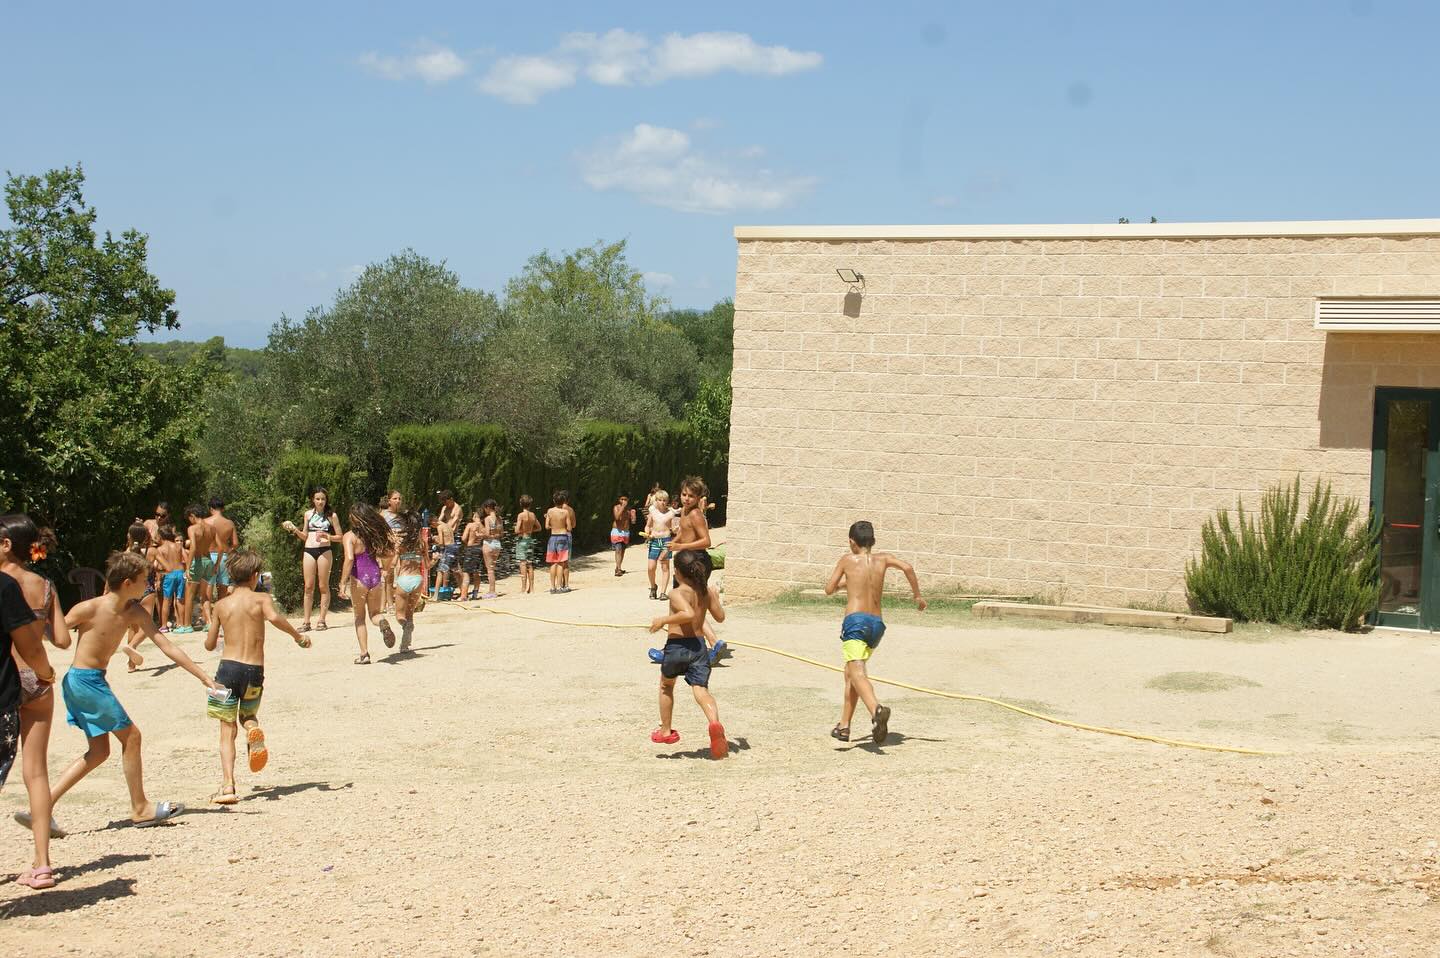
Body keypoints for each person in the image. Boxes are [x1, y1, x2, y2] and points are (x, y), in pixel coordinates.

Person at [47, 551, 220, 828]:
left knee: (99, 751)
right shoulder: (89, 608)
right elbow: (52, 632)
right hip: (84, 680)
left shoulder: (135, 611)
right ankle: (140, 808)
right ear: (128, 583)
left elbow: (166, 645)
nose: (149, 585)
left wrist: (203, 676)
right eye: (145, 580)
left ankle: (42, 806)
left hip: (88, 682)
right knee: (132, 737)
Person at [203, 549, 310, 804]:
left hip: (225, 671)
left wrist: (214, 625)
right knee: (247, 715)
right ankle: (253, 728)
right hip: (253, 671)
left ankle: (228, 786)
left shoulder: (221, 605)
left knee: (226, 728)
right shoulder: (262, 599)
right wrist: (298, 636)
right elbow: (275, 619)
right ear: (254, 575)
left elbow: (209, 645)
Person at [0, 515, 64, 890]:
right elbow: (61, 640)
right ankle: (42, 864)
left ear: (8, 543)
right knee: (35, 771)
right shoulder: (44, 584)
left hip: (9, 675)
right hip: (36, 678)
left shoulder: (5, 586)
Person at [822, 520, 926, 746]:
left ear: (852, 542)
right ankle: (844, 727)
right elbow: (908, 567)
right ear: (873, 541)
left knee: (857, 672)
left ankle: (876, 709)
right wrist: (917, 596)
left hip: (855, 622)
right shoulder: (884, 558)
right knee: (850, 673)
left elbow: (829, 589)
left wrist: (843, 584)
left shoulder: (847, 560)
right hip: (876, 625)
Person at [647, 550, 728, 759]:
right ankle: (714, 723)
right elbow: (720, 617)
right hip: (699, 647)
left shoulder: (677, 593)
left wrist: (663, 620)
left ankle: (665, 731)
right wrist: (715, 597)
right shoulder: (705, 591)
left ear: (678, 573)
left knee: (666, 685)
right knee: (700, 690)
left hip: (677, 646)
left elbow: (688, 614)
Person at [667, 477, 726, 663]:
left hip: (696, 561)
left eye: (691, 496)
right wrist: (674, 543)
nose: (686, 499)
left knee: (689, 606)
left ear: (699, 497)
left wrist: (681, 547)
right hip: (685, 561)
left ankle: (710, 642)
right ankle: (680, 646)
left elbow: (706, 542)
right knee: (684, 605)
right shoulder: (684, 511)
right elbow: (683, 534)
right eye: (684, 494)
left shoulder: (695, 515)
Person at [338, 503, 397, 664]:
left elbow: (350, 559)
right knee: (375, 614)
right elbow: (389, 553)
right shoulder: (372, 536)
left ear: (354, 518)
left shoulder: (349, 536)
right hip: (375, 578)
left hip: (359, 579)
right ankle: (383, 623)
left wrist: (342, 582)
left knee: (359, 617)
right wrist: (387, 568)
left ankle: (364, 654)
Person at [280, 487, 342, 632]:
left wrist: (329, 537)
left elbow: (340, 537)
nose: (320, 502)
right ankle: (306, 622)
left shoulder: (332, 516)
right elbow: (305, 536)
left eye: (323, 499)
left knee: (323, 586)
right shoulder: (308, 514)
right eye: (318, 499)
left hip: (325, 550)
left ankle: (322, 620)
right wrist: (294, 529)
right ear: (313, 500)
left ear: (326, 500)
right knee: (308, 586)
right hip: (309, 549)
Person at [389, 510, 428, 652]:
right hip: (418, 579)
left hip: (404, 579)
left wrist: (387, 571)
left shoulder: (401, 544)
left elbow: (393, 563)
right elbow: (428, 565)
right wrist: (435, 559)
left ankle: (406, 627)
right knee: (410, 613)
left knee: (399, 615)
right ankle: (405, 645)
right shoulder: (422, 543)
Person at [175, 503, 217, 635]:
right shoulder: (212, 528)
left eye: (189, 518)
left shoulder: (192, 528)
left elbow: (192, 547)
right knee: (204, 595)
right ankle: (209, 623)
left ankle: (187, 625)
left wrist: (188, 567)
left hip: (197, 562)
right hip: (208, 561)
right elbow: (220, 547)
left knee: (190, 595)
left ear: (192, 516)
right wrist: (216, 564)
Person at [120, 522, 156, 671]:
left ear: (129, 536)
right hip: (146, 590)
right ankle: (132, 645)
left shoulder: (125, 554)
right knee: (148, 625)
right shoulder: (150, 551)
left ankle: (131, 664)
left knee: (132, 627)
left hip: (130, 592)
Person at [644, 490, 677, 601]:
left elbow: (674, 528)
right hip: (654, 540)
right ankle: (653, 587)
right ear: (656, 501)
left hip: (666, 541)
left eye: (664, 500)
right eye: (660, 500)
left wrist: (676, 529)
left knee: (665, 567)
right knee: (651, 567)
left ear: (667, 501)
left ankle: (663, 592)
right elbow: (648, 526)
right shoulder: (653, 512)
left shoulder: (670, 513)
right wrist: (647, 533)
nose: (662, 502)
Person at [153, 525, 187, 632]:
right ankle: (181, 625)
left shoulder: (160, 549)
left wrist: (159, 576)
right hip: (180, 573)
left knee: (166, 600)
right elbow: (186, 560)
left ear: (161, 536)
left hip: (169, 575)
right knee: (180, 599)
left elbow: (156, 566)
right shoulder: (178, 546)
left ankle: (164, 626)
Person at [207, 496, 240, 601]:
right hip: (224, 557)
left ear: (210, 508)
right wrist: (227, 550)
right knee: (223, 587)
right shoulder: (229, 523)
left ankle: (206, 616)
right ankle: (221, 614)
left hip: (208, 555)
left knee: (208, 587)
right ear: (223, 509)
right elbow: (235, 543)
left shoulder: (205, 522)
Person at [544, 491, 574, 594]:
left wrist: (554, 526)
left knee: (553, 563)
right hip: (562, 537)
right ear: (563, 502)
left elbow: (547, 526)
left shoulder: (549, 511)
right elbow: (569, 527)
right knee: (561, 562)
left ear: (553, 501)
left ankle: (552, 587)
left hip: (553, 537)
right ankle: (560, 586)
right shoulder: (565, 512)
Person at [380, 491, 404, 613]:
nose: (398, 501)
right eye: (395, 498)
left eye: (399, 498)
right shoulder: (383, 515)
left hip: (399, 549)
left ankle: (391, 603)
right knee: (387, 577)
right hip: (387, 548)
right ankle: (386, 604)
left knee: (396, 577)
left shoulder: (401, 516)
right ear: (389, 500)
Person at [512, 495, 541, 594]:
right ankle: (532, 588)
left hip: (522, 540)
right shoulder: (533, 515)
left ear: (521, 504)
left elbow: (516, 530)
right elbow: (539, 528)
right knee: (530, 563)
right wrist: (530, 530)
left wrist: (516, 528)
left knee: (523, 563)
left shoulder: (520, 515)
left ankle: (523, 588)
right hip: (530, 539)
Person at [478, 499, 503, 599]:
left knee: (490, 570)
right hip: (497, 544)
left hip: (488, 544)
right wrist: (494, 535)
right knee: (492, 568)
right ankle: (492, 590)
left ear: (488, 508)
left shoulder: (488, 519)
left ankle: (492, 591)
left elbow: (487, 533)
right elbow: (502, 533)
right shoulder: (499, 518)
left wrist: (480, 534)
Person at [458, 509, 485, 601]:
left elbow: (463, 538)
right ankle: (475, 594)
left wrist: (467, 543)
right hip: (479, 549)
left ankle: (464, 596)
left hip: (470, 549)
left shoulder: (470, 525)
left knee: (466, 573)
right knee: (476, 572)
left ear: (475, 516)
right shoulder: (482, 526)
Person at [610, 495, 633, 577]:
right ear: (619, 499)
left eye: (625, 499)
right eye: (622, 499)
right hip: (617, 531)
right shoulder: (616, 507)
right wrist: (622, 507)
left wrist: (633, 517)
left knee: (622, 550)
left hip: (625, 532)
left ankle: (618, 567)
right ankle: (618, 569)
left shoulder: (629, 509)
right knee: (618, 550)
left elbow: (632, 521)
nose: (623, 501)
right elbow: (617, 517)